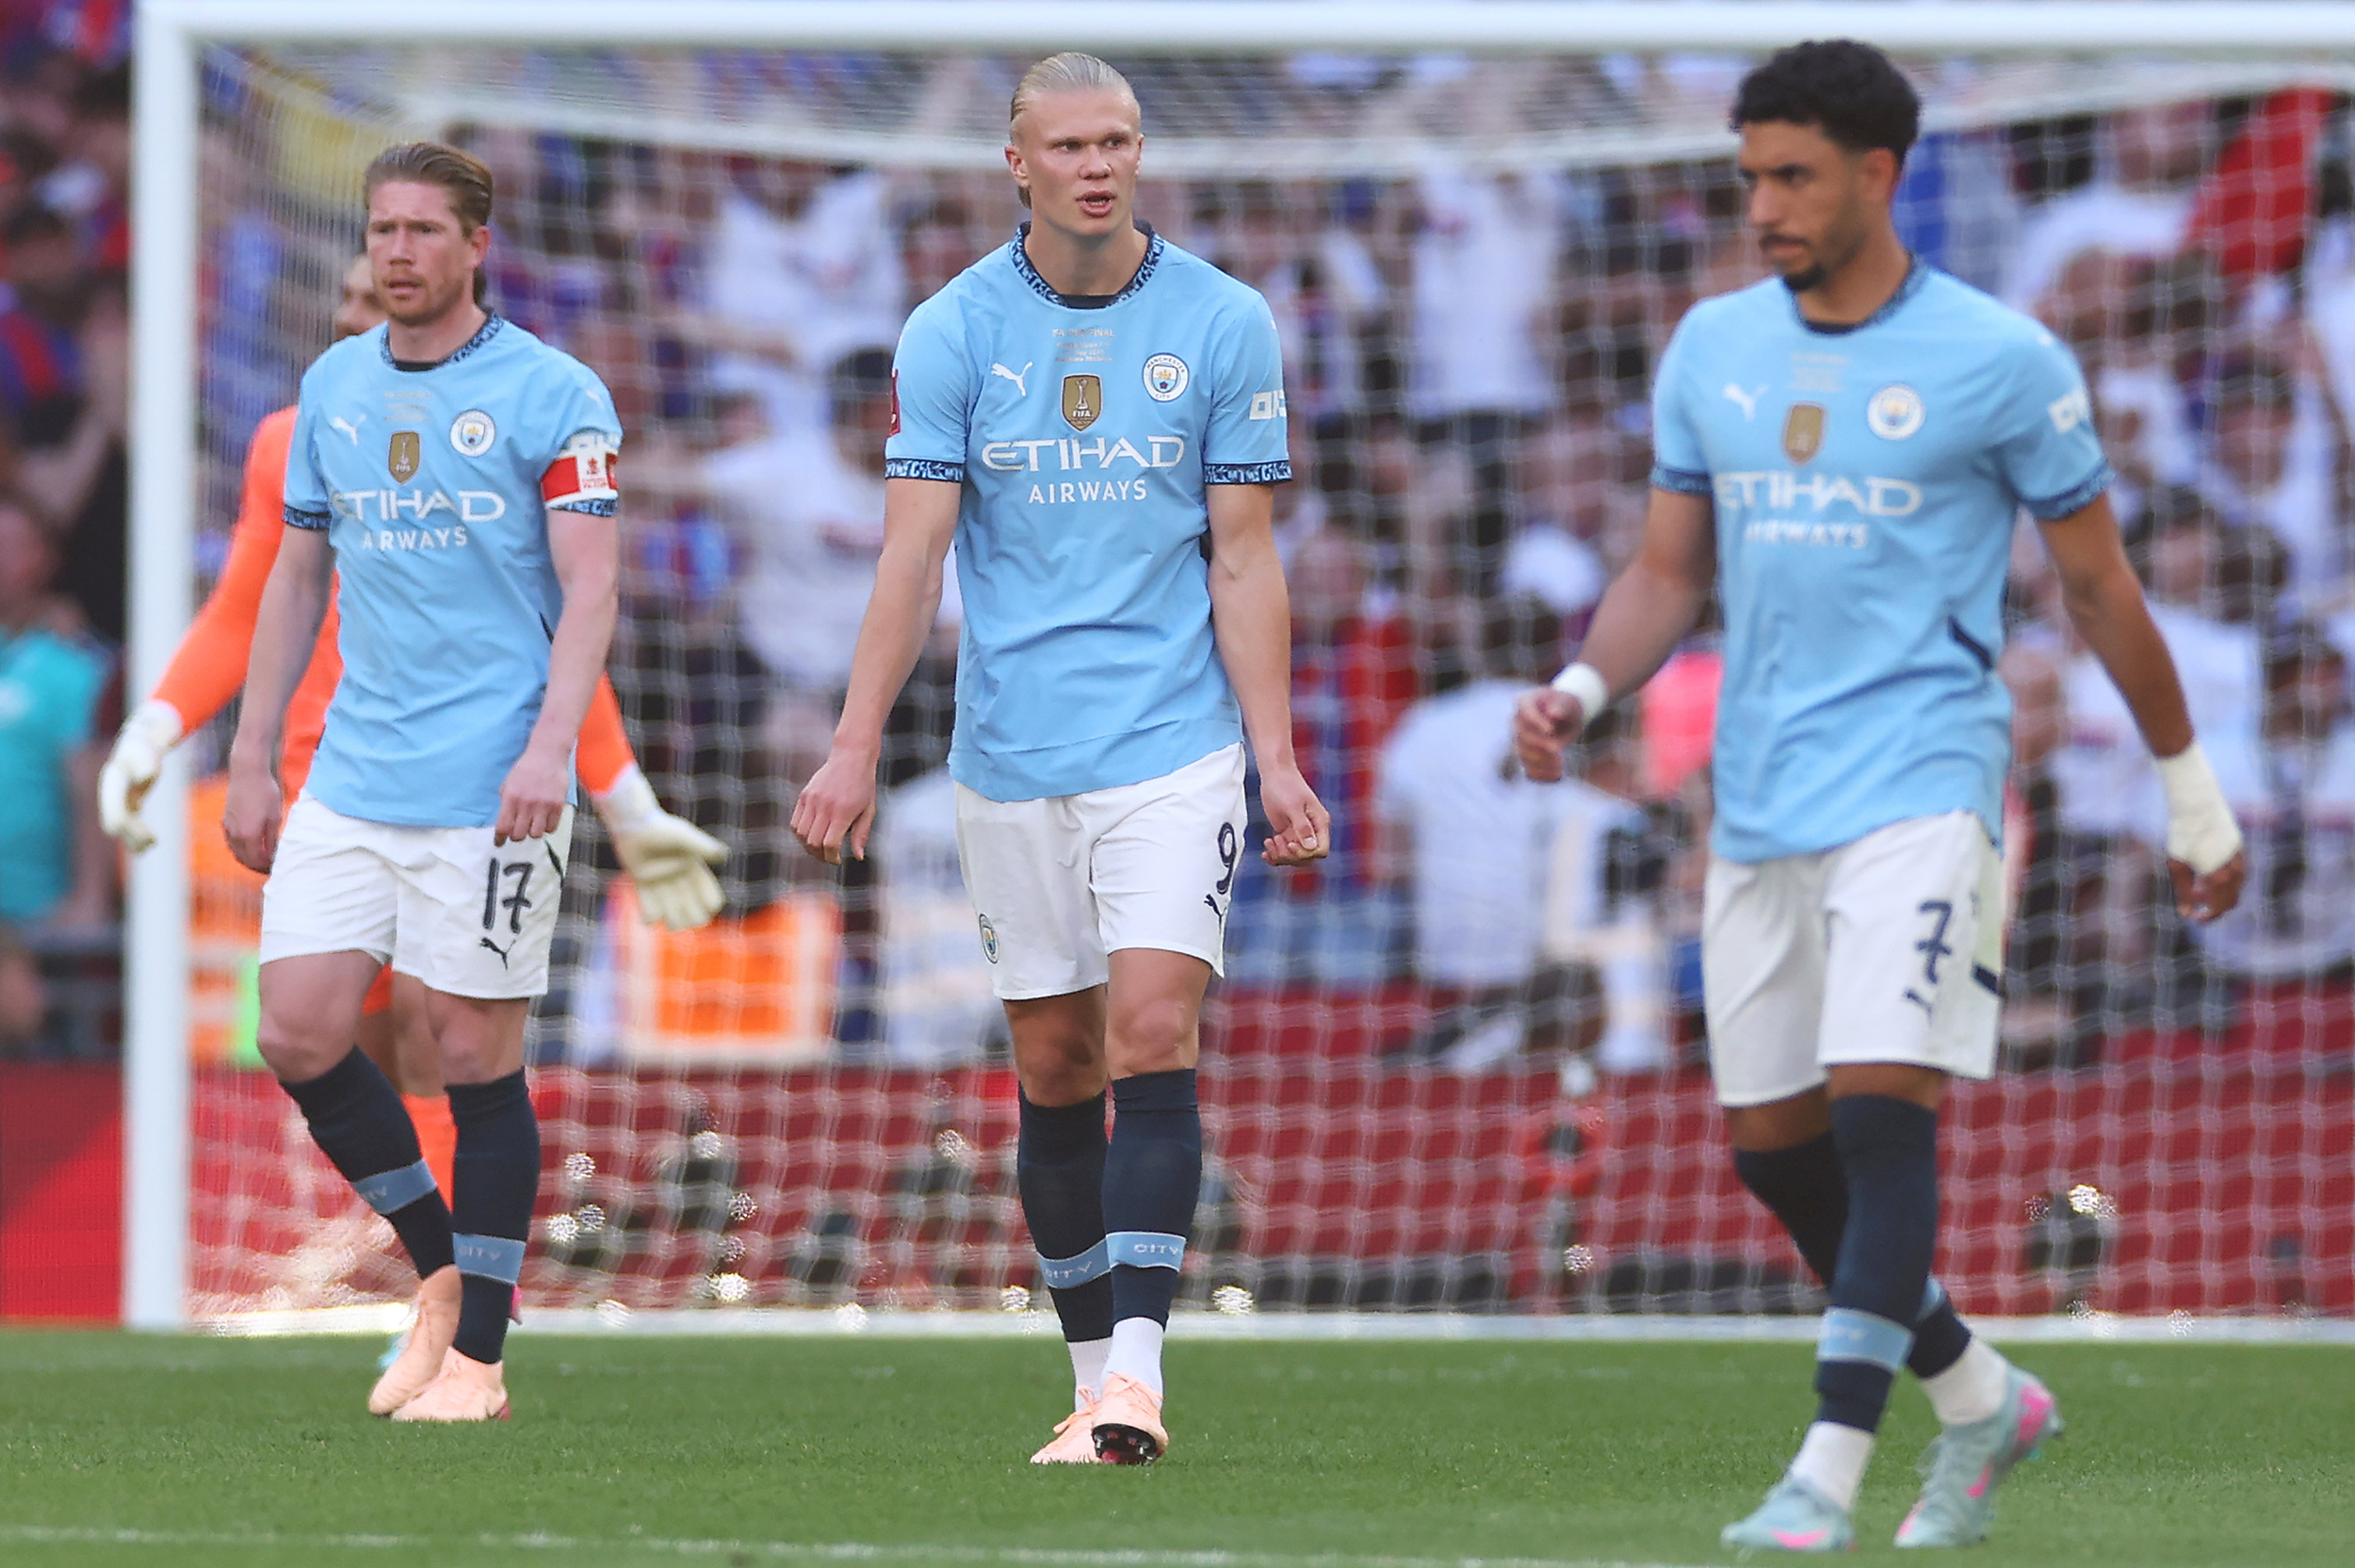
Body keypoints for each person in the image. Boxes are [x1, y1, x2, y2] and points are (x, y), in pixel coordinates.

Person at [1513, 41, 2247, 1553]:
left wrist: (2191, 787)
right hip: (1761, 796)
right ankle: (1983, 1395)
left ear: (1877, 175)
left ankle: (1827, 1474)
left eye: (1792, 177)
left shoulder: (2001, 357)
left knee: (1877, 1116)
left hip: (1928, 779)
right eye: (1749, 178)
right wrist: (1582, 688)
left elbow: (2100, 590)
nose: (1764, 206)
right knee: (1774, 1150)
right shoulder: (1713, 345)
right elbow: (1666, 572)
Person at [789, 53, 1327, 1466]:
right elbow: (911, 561)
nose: (1099, 166)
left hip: (1173, 744)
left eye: (1119, 141)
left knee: (1152, 1032)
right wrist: (853, 746)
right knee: (1054, 1063)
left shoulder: (1223, 319)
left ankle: (1138, 1377)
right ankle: (1091, 1383)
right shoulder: (953, 330)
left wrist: (1273, 758)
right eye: (1072, 145)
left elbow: (1245, 556)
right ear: (1016, 163)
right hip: (1010, 751)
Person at [97, 255, 724, 1200]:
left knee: (446, 1031)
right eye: (348, 299)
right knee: (353, 1045)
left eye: (376, 298)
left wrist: (627, 803)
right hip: (331, 787)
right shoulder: (291, 439)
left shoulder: (508, 437)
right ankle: (426, 1246)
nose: (355, 316)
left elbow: (552, 634)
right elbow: (241, 608)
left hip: (472, 782)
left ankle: (459, 1270)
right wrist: (154, 727)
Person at [221, 142, 626, 1423]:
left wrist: (551, 746)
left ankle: (480, 1364)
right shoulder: (333, 385)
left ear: (475, 246)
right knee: (296, 1028)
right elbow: (295, 578)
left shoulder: (553, 392)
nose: (397, 252)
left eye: (422, 231)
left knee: (469, 1053)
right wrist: (248, 751)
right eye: (382, 229)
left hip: (490, 785)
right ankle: (444, 1274)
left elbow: (593, 588)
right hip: (352, 772)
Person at [0, 490, 109, 935]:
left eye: (12, 547)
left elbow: (89, 786)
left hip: (38, 920)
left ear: (46, 560)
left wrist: (90, 900)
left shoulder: (76, 668)